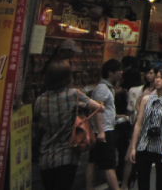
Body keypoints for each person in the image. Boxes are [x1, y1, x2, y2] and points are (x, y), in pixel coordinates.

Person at [34, 61, 103, 190]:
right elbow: (99, 108)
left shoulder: (40, 99)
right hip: (68, 153)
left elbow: (38, 121)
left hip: (45, 155)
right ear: (67, 77)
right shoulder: (73, 94)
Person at [129, 68, 162, 190]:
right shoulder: (146, 99)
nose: (157, 80)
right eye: (157, 77)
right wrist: (133, 147)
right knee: (142, 182)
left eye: (161, 78)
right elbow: (139, 123)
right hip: (144, 145)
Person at [87, 59, 123, 190]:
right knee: (109, 164)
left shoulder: (106, 87)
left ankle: (89, 187)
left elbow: (105, 109)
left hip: (104, 128)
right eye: (119, 70)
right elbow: (97, 110)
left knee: (93, 160)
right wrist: (101, 131)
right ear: (110, 72)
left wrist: (117, 116)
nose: (121, 72)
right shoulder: (102, 88)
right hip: (104, 130)